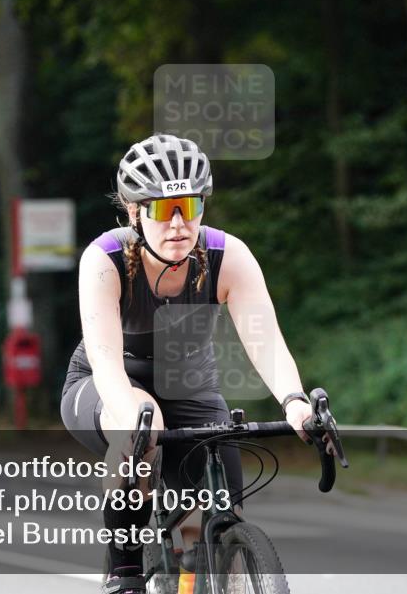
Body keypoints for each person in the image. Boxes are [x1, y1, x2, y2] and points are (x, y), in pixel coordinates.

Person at [60, 134, 331, 594]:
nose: (180, 224)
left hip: (189, 385)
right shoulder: (103, 260)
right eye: (165, 210)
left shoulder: (228, 255)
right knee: (142, 428)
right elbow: (106, 363)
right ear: (135, 212)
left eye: (190, 206)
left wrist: (295, 401)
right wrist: (134, 418)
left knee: (220, 506)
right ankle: (123, 572)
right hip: (107, 383)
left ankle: (203, 566)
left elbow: (265, 341)